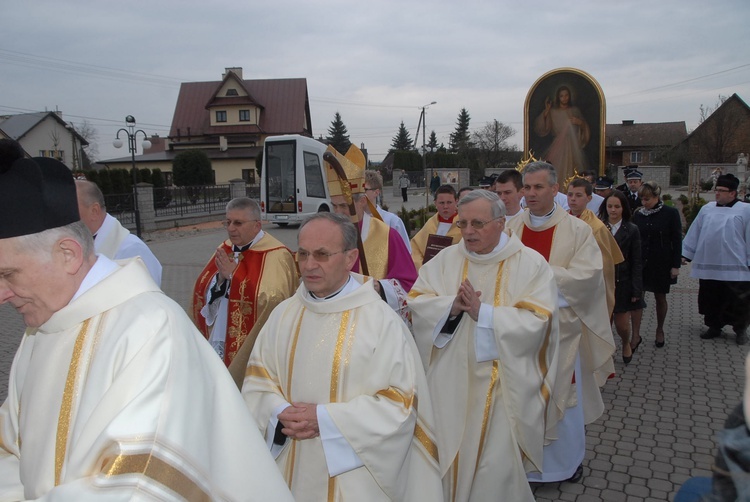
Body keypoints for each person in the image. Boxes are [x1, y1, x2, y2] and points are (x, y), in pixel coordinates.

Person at [0, 144, 294, 500]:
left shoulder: (150, 333)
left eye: (8, 274)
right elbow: (10, 452)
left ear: (68, 254)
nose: (2, 294)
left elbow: (139, 487)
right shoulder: (39, 332)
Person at [241, 212, 443, 501]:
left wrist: (325, 419)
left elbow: (400, 405)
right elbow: (257, 381)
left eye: (322, 255)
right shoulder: (284, 315)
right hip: (290, 470)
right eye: (303, 254)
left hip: (355, 479)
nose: (309, 265)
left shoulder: (380, 321)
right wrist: (277, 411)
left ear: (350, 259)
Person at [408, 190, 559, 501]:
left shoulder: (530, 264)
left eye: (478, 223)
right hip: (447, 381)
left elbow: (540, 321)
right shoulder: (447, 259)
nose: (468, 232)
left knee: (493, 469)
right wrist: (450, 307)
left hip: (502, 384)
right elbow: (418, 301)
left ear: (502, 223)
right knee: (441, 455)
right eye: (462, 224)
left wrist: (485, 314)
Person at [506, 161, 615, 484]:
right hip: (519, 332)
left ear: (555, 190)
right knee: (524, 401)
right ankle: (526, 466)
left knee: (564, 406)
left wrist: (536, 279)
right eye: (527, 187)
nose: (531, 193)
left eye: (538, 187)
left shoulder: (577, 230)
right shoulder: (511, 228)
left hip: (562, 330)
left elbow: (588, 279)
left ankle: (566, 465)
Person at [192, 197, 297, 386]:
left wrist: (235, 276)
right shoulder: (225, 249)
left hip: (254, 340)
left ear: (257, 226)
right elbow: (202, 288)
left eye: (238, 223)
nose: (231, 228)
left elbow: (275, 298)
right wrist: (221, 280)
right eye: (228, 222)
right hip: (222, 327)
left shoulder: (277, 254)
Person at [327, 147, 417, 318]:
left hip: (375, 323)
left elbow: (410, 285)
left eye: (344, 206)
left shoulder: (387, 236)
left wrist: (380, 287)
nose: (338, 213)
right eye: (334, 206)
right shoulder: (326, 235)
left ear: (362, 201)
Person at [682, 173, 750, 345]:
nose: (717, 193)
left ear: (733, 193)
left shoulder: (745, 210)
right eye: (716, 190)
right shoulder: (707, 209)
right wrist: (685, 254)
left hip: (735, 267)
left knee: (738, 301)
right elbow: (695, 231)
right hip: (709, 265)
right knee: (712, 298)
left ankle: (740, 329)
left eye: (721, 190)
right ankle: (714, 326)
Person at [75, 179, 163, 286]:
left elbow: (147, 297)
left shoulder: (132, 250)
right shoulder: (77, 244)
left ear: (94, 211)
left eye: (71, 208)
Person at [631, 181, 682, 348]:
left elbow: (676, 240)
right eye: (641, 199)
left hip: (661, 262)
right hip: (641, 262)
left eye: (647, 199)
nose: (643, 203)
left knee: (660, 297)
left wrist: (675, 265)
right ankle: (636, 334)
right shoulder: (638, 214)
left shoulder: (670, 213)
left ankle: (660, 329)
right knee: (637, 298)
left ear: (656, 197)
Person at [567, 178, 624, 317]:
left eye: (578, 195)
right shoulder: (561, 220)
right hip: (565, 281)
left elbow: (605, 264)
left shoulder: (596, 227)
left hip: (586, 283)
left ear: (589, 198)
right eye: (570, 194)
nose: (573, 199)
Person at [601, 190, 645, 364]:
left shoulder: (632, 229)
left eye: (617, 207)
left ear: (623, 208)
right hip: (603, 282)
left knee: (622, 324)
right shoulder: (599, 227)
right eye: (610, 206)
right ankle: (606, 352)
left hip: (623, 282)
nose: (613, 210)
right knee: (605, 322)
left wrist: (637, 289)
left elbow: (636, 261)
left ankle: (626, 342)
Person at [533, 85, 591, 183]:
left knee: (573, 169)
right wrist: (546, 111)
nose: (564, 98)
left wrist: (580, 123)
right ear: (558, 97)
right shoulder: (553, 112)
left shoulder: (574, 110)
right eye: (561, 96)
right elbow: (542, 128)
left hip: (573, 146)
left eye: (566, 95)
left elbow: (584, 128)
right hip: (558, 146)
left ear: (570, 96)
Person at [410, 184, 462, 271]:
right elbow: (416, 246)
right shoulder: (431, 223)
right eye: (441, 203)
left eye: (449, 202)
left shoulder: (463, 224)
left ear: (456, 202)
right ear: (435, 203)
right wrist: (421, 267)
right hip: (428, 272)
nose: (445, 206)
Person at [363, 170, 411, 251]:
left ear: (376, 192)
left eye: (364, 190)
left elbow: (406, 252)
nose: (359, 195)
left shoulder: (393, 222)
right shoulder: (352, 221)